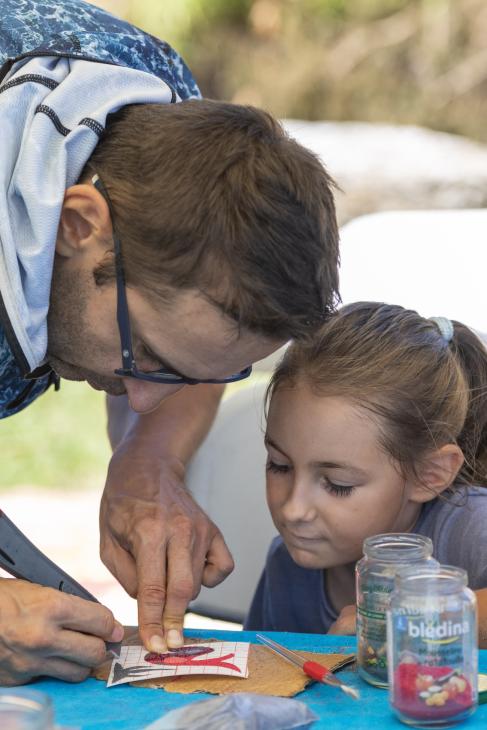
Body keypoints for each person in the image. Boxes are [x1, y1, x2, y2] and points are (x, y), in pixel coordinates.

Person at [0, 0, 340, 684]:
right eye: (145, 357)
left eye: (188, 374)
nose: (149, 398)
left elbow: (198, 338)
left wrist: (149, 458)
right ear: (77, 223)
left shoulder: (158, 117)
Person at [245, 302, 487, 642]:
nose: (293, 509)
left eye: (337, 484)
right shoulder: (285, 568)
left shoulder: (472, 530)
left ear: (429, 474)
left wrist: (418, 622)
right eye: (279, 465)